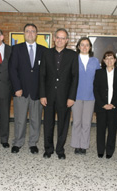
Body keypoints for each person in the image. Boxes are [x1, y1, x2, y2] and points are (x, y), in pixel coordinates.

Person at [40, 28, 78, 159]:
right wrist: (42, 95)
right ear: (54, 39)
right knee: (48, 124)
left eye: (63, 38)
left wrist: (72, 97)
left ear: (67, 40)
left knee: (63, 124)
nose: (60, 40)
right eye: (58, 37)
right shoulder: (46, 53)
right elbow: (42, 75)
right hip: (48, 96)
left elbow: (75, 78)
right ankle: (48, 149)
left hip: (65, 97)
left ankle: (60, 149)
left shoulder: (72, 55)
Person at [9, 23, 46, 154]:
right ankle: (18, 143)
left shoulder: (44, 50)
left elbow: (45, 73)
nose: (30, 33)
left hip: (37, 92)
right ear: (24, 33)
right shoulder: (16, 49)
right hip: (21, 91)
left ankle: (33, 143)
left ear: (36, 34)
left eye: (33, 31)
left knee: (36, 120)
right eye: (28, 31)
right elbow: (12, 70)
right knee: (20, 119)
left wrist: (43, 92)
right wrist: (17, 87)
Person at [71, 37, 100, 155]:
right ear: (78, 47)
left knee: (87, 122)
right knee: (77, 121)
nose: (84, 47)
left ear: (90, 47)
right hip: (76, 95)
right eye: (82, 45)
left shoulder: (95, 61)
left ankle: (83, 145)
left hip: (90, 96)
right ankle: (76, 145)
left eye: (87, 45)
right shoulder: (74, 60)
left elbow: (98, 79)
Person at [94, 51, 117, 159]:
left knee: (112, 130)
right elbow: (96, 90)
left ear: (115, 60)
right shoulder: (99, 73)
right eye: (107, 58)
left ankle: (110, 151)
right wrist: (103, 104)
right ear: (104, 61)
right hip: (101, 107)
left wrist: (113, 104)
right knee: (100, 129)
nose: (109, 61)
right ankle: (100, 150)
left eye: (111, 58)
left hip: (114, 107)